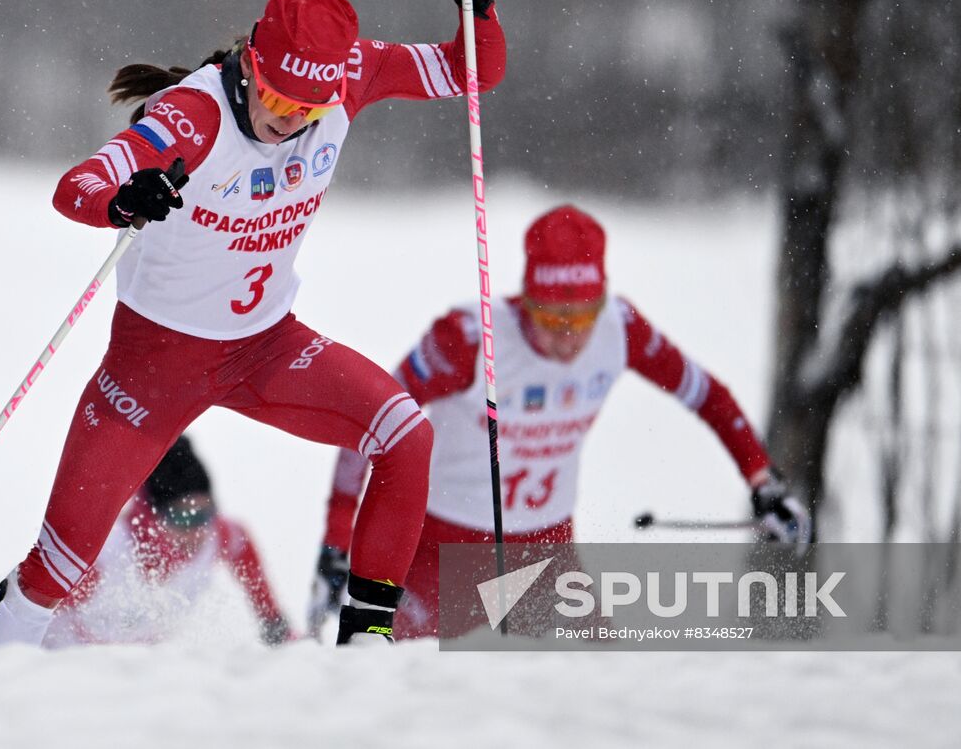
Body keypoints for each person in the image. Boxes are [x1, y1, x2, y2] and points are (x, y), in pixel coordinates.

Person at [0, 0, 505, 647]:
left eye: (307, 111)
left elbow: (471, 70)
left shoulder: (348, 75)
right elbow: (79, 184)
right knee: (53, 574)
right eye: (279, 101)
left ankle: (367, 644)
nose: (289, 123)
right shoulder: (192, 115)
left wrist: (478, 3)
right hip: (151, 371)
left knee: (405, 432)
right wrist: (122, 200)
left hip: (264, 349)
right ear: (253, 64)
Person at [307, 205, 812, 639]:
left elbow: (708, 396)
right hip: (436, 556)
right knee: (414, 703)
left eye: (582, 319)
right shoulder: (466, 337)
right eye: (551, 320)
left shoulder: (621, 329)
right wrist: (338, 539)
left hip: (548, 558)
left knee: (596, 701)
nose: (567, 340)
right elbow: (367, 424)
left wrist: (762, 480)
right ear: (525, 300)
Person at [26, 436, 293, 648]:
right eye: (182, 518)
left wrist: (276, 628)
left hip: (142, 669)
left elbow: (247, 559)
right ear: (151, 517)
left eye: (205, 513)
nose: (197, 530)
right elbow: (22, 604)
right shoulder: (105, 557)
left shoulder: (222, 536)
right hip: (70, 659)